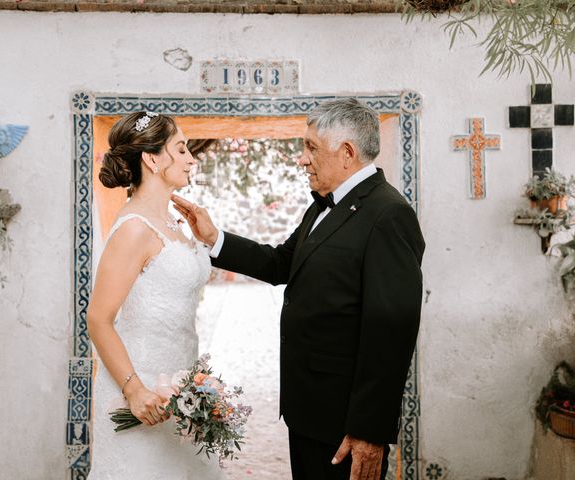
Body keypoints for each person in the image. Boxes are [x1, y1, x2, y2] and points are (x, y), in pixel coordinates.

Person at [173, 98, 425, 480]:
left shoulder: (388, 215)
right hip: (309, 409)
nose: (301, 159)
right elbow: (280, 263)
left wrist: (369, 431)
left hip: (346, 422)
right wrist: (214, 237)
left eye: (311, 148)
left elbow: (392, 331)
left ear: (347, 153)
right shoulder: (326, 206)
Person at [86, 112, 223, 479]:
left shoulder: (176, 224)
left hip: (183, 389)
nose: (191, 158)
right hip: (142, 391)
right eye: (180, 149)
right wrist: (134, 390)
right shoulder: (134, 229)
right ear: (152, 159)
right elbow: (98, 320)